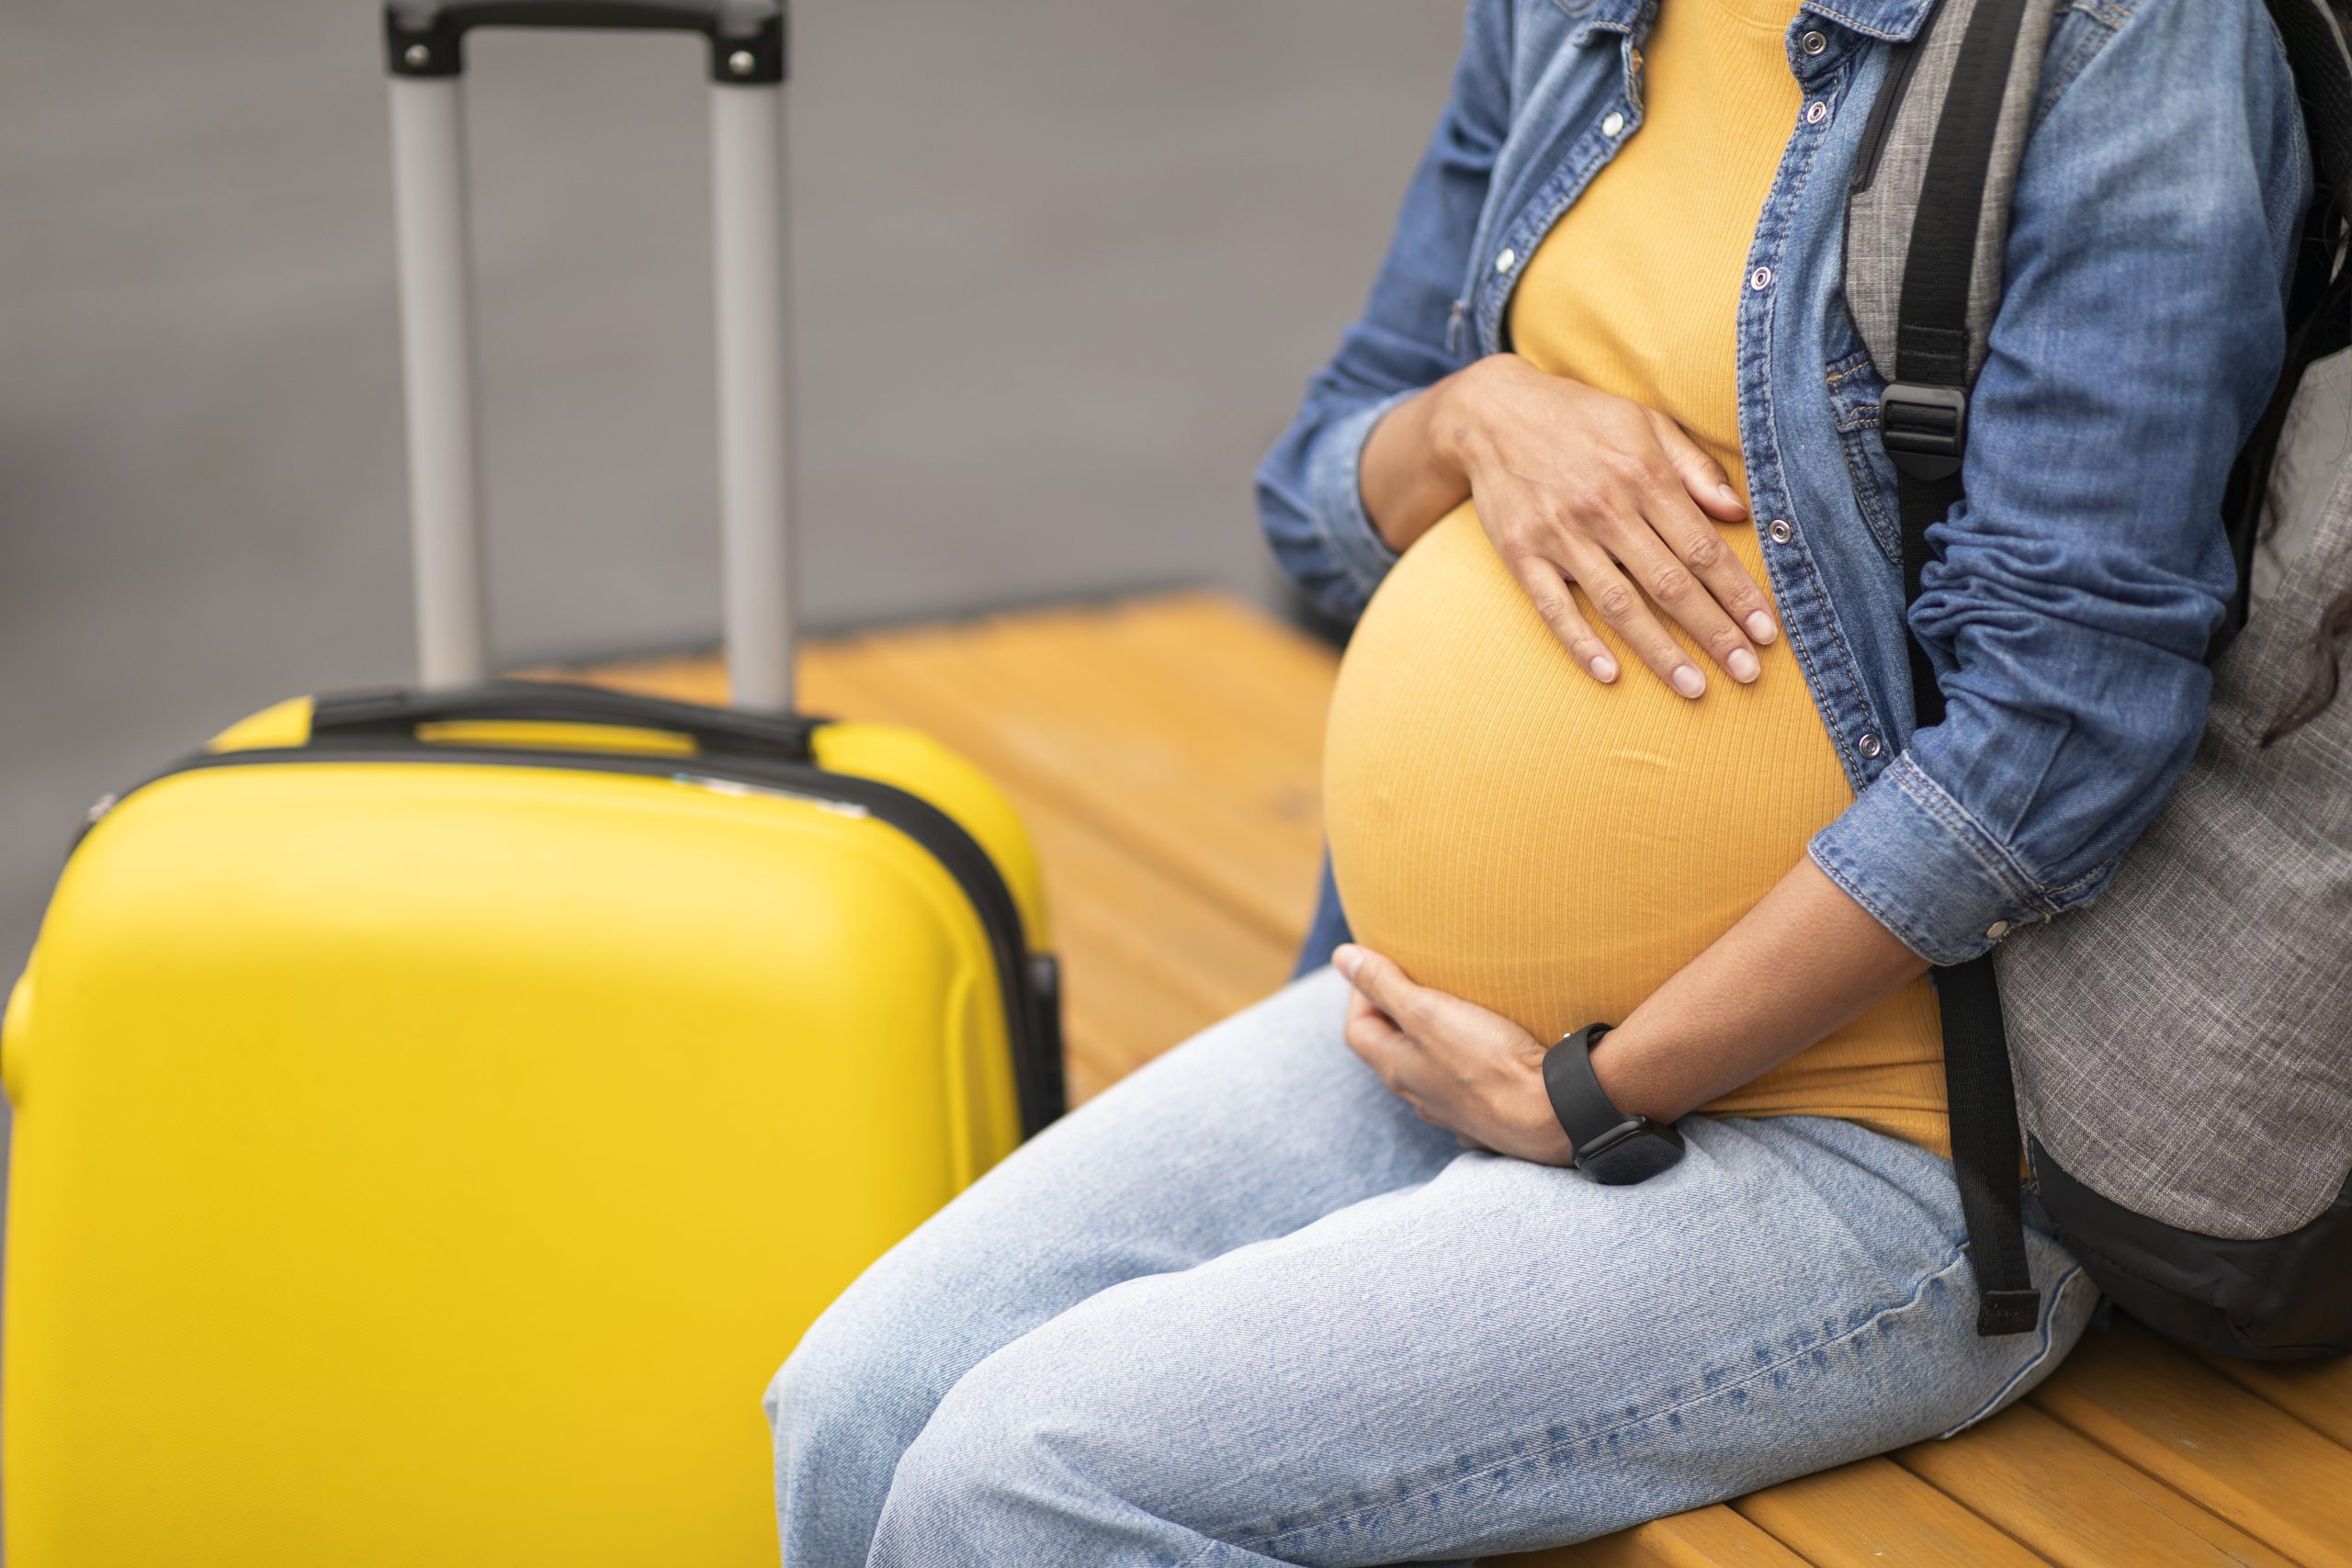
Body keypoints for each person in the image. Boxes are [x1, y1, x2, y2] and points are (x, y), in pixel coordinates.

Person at [765, 0, 2312, 1561]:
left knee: (1020, 1489)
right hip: (1440, 1027)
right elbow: (1318, 491)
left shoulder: (2126, 33)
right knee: (858, 1403)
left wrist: (1596, 1090)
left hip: (1882, 1130)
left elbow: (2062, 729)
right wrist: (1472, 419)